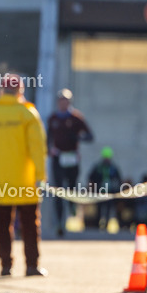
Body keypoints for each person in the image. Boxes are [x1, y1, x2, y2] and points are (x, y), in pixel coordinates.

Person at [0, 74, 48, 277]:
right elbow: (37, 148)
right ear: (20, 91)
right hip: (25, 180)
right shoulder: (27, 114)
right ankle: (32, 265)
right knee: (29, 225)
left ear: (1, 90)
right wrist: (41, 176)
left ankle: (5, 266)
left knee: (3, 225)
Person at [46, 88, 94, 237]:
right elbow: (47, 138)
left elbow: (90, 136)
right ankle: (60, 222)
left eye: (65, 101)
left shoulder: (76, 118)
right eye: (61, 101)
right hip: (58, 158)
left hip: (72, 158)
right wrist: (49, 150)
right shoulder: (53, 118)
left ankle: (72, 206)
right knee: (58, 190)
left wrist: (78, 138)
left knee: (71, 186)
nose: (63, 103)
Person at [87, 147, 122, 231]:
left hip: (110, 192)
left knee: (108, 209)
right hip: (99, 192)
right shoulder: (98, 167)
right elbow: (91, 177)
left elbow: (118, 179)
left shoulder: (113, 168)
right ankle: (97, 226)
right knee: (99, 210)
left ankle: (105, 226)